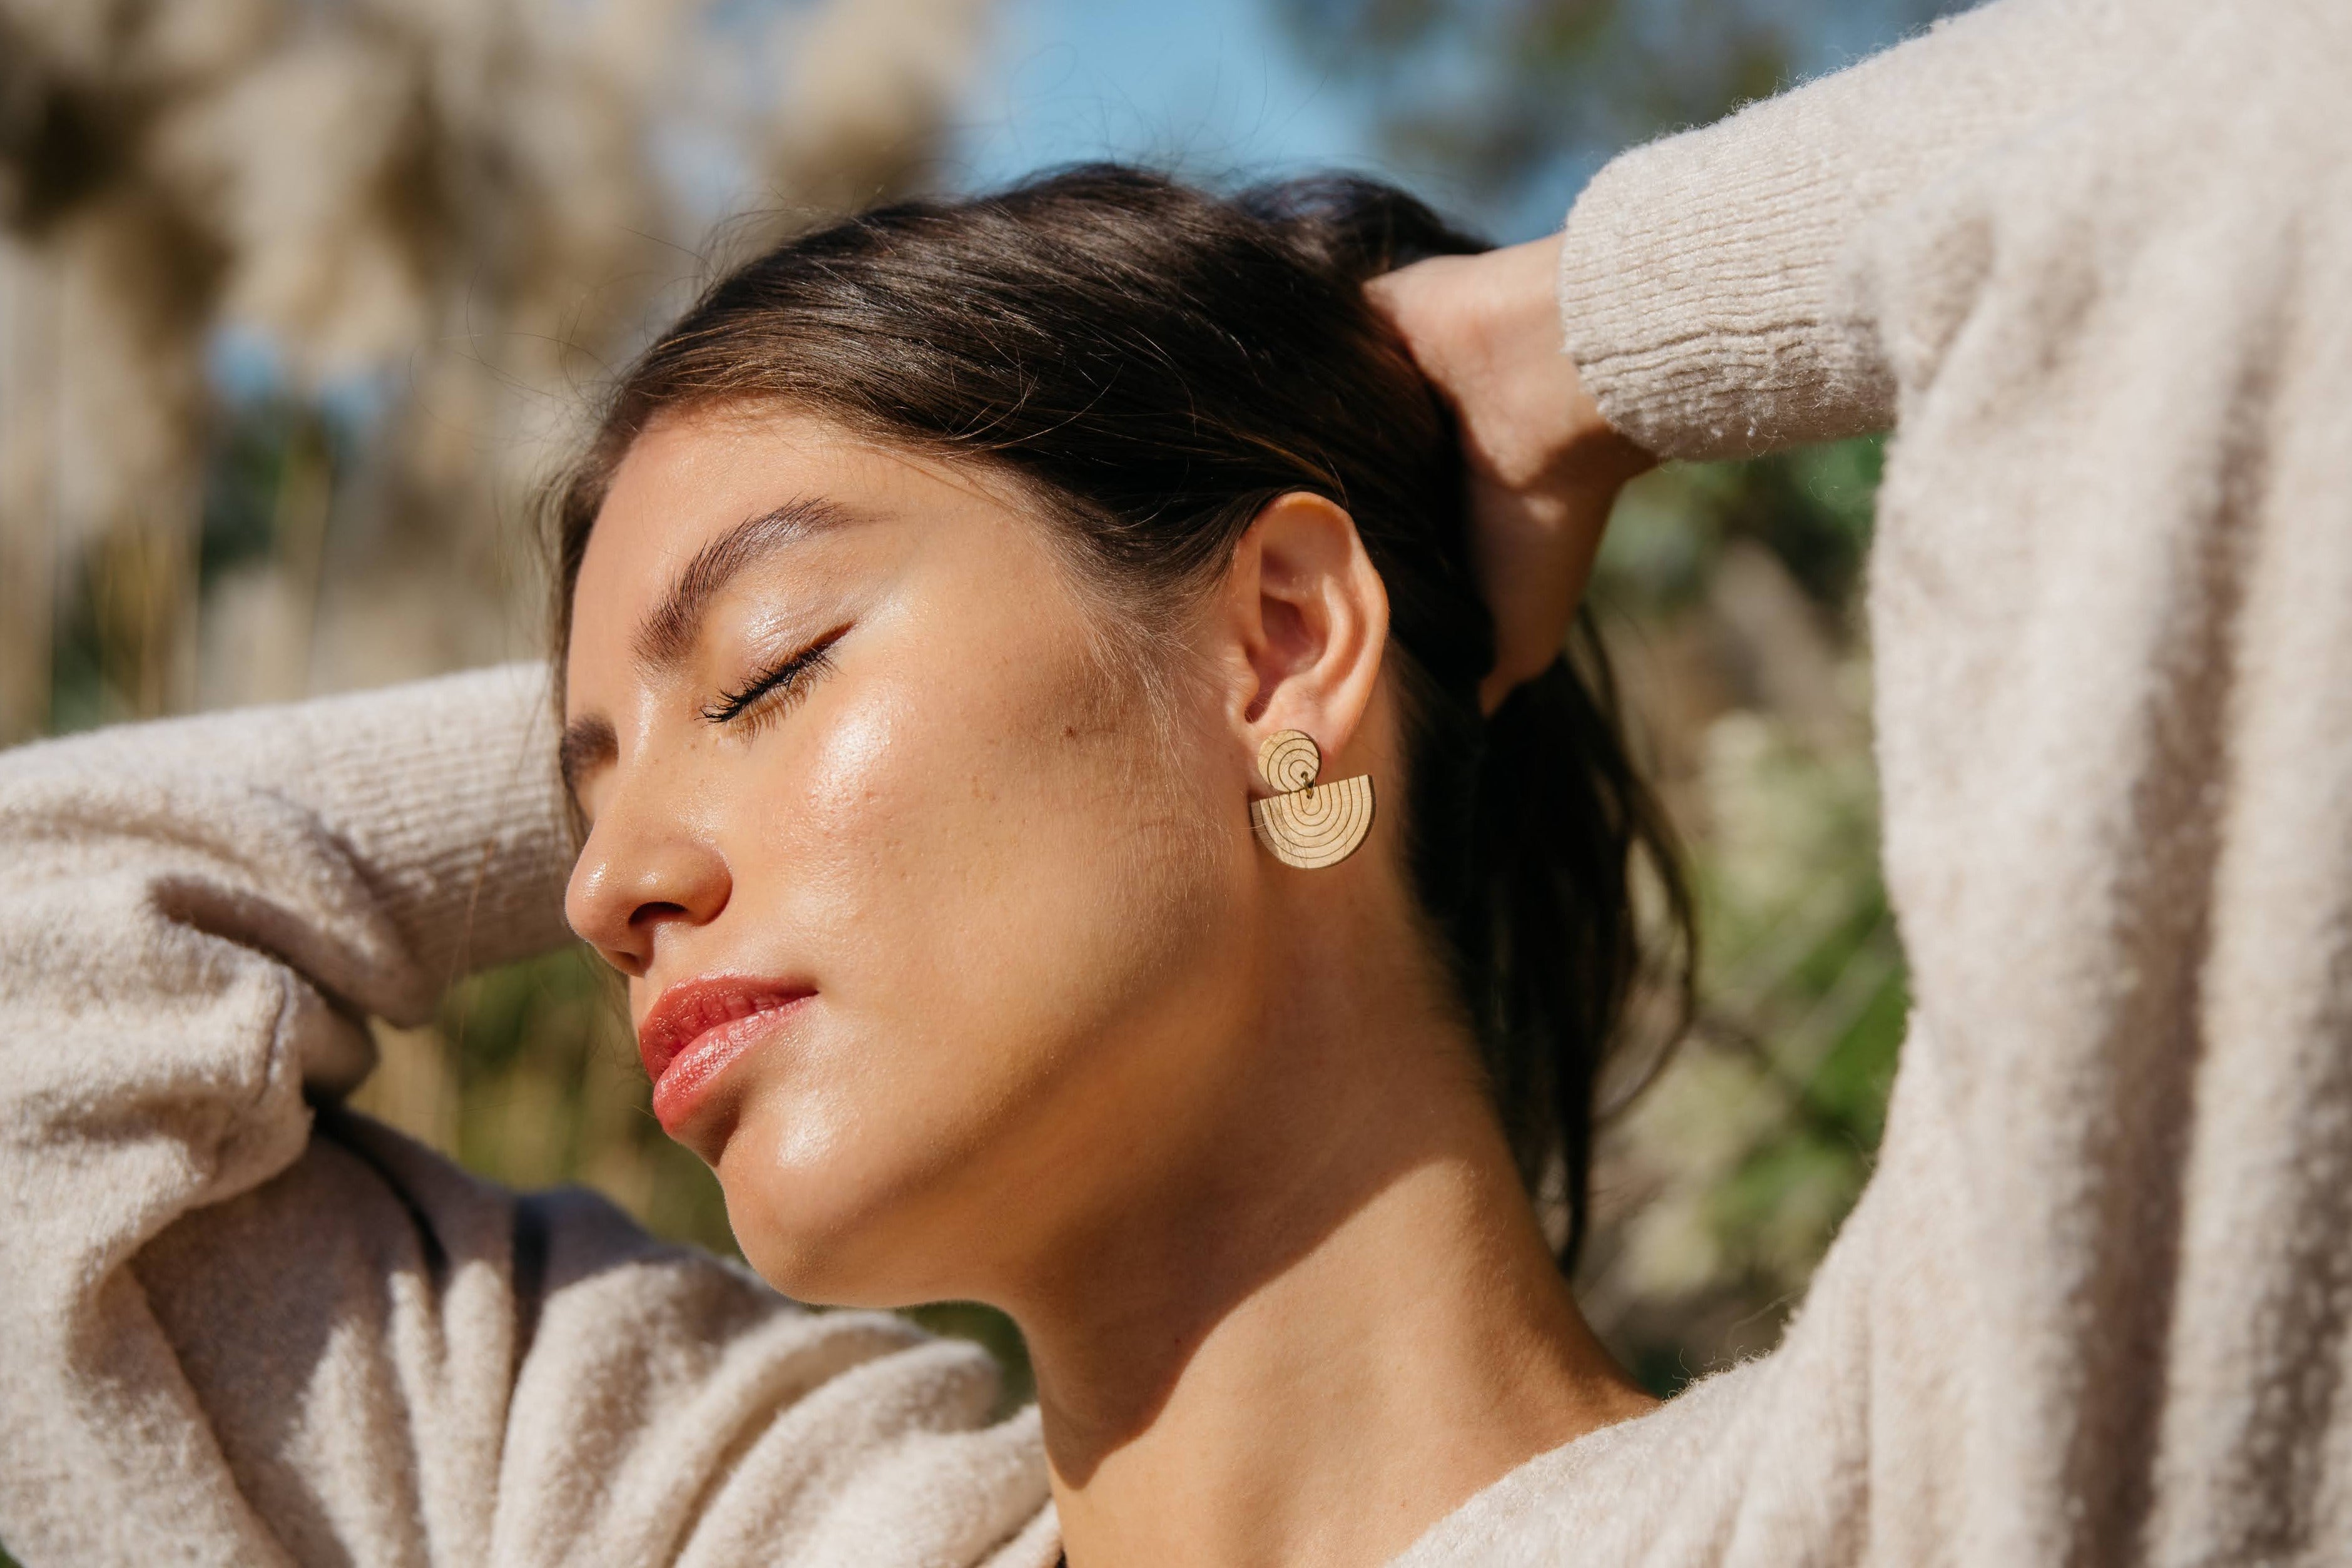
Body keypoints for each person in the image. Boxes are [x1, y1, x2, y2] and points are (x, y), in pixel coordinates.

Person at [3, 0, 2347, 1563]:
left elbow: (2268, 157)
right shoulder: (724, 1516)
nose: (611, 877)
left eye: (778, 657)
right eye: (575, 796)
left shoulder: (1929, 1476)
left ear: (1285, 641)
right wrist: (630, 735)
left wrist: (1550, 342)